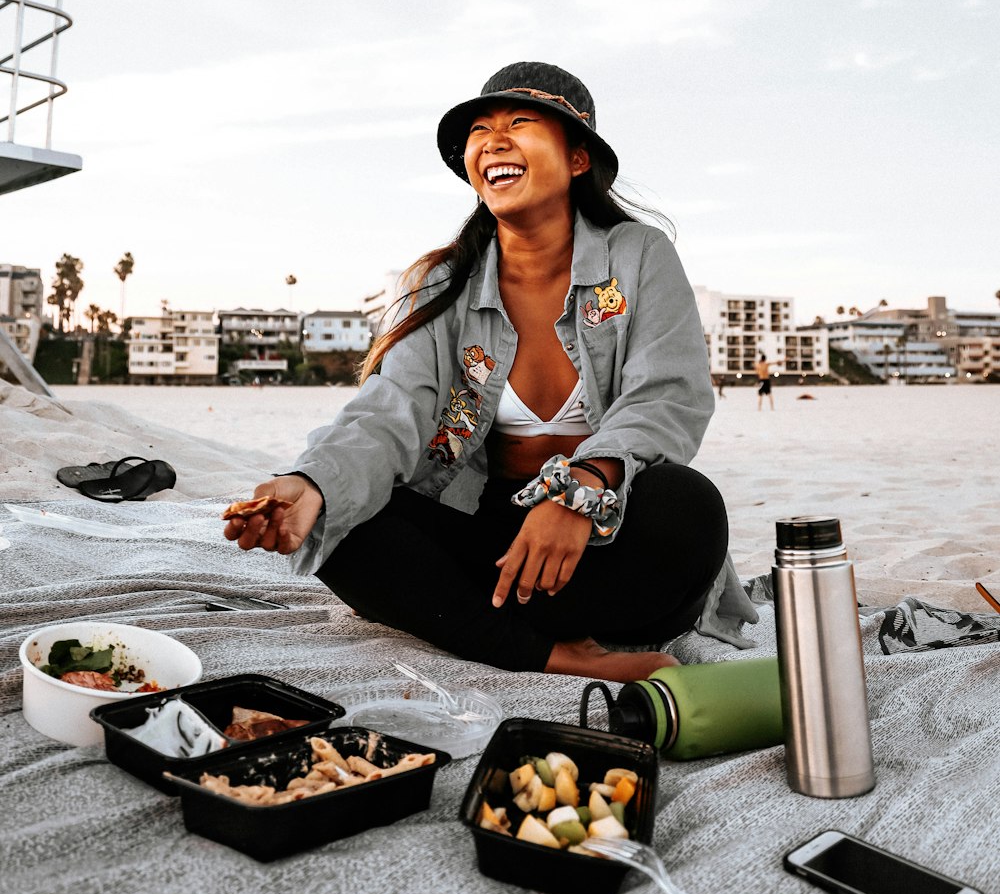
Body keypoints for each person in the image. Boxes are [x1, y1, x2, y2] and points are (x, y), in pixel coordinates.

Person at [224, 62, 756, 680]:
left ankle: (492, 627)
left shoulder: (639, 256)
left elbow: (668, 397)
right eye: (480, 129)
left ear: (578, 159)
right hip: (498, 552)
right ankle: (551, 655)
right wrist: (313, 484)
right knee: (343, 522)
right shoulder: (443, 283)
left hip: (611, 542)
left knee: (688, 505)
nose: (493, 140)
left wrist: (578, 493)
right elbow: (392, 405)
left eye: (520, 123)